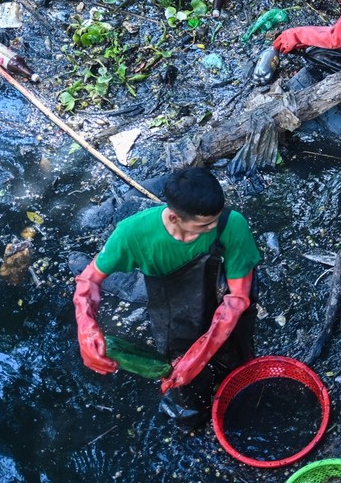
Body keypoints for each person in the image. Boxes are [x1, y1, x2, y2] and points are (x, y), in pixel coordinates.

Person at [73, 168, 261, 430]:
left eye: (216, 220)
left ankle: (239, 399)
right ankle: (193, 419)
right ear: (174, 217)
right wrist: (86, 327)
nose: (214, 227)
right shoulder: (132, 233)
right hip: (175, 310)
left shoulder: (232, 225)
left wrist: (202, 354)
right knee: (180, 375)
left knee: (235, 356)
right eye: (204, 225)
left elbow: (238, 297)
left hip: (226, 302)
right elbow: (89, 279)